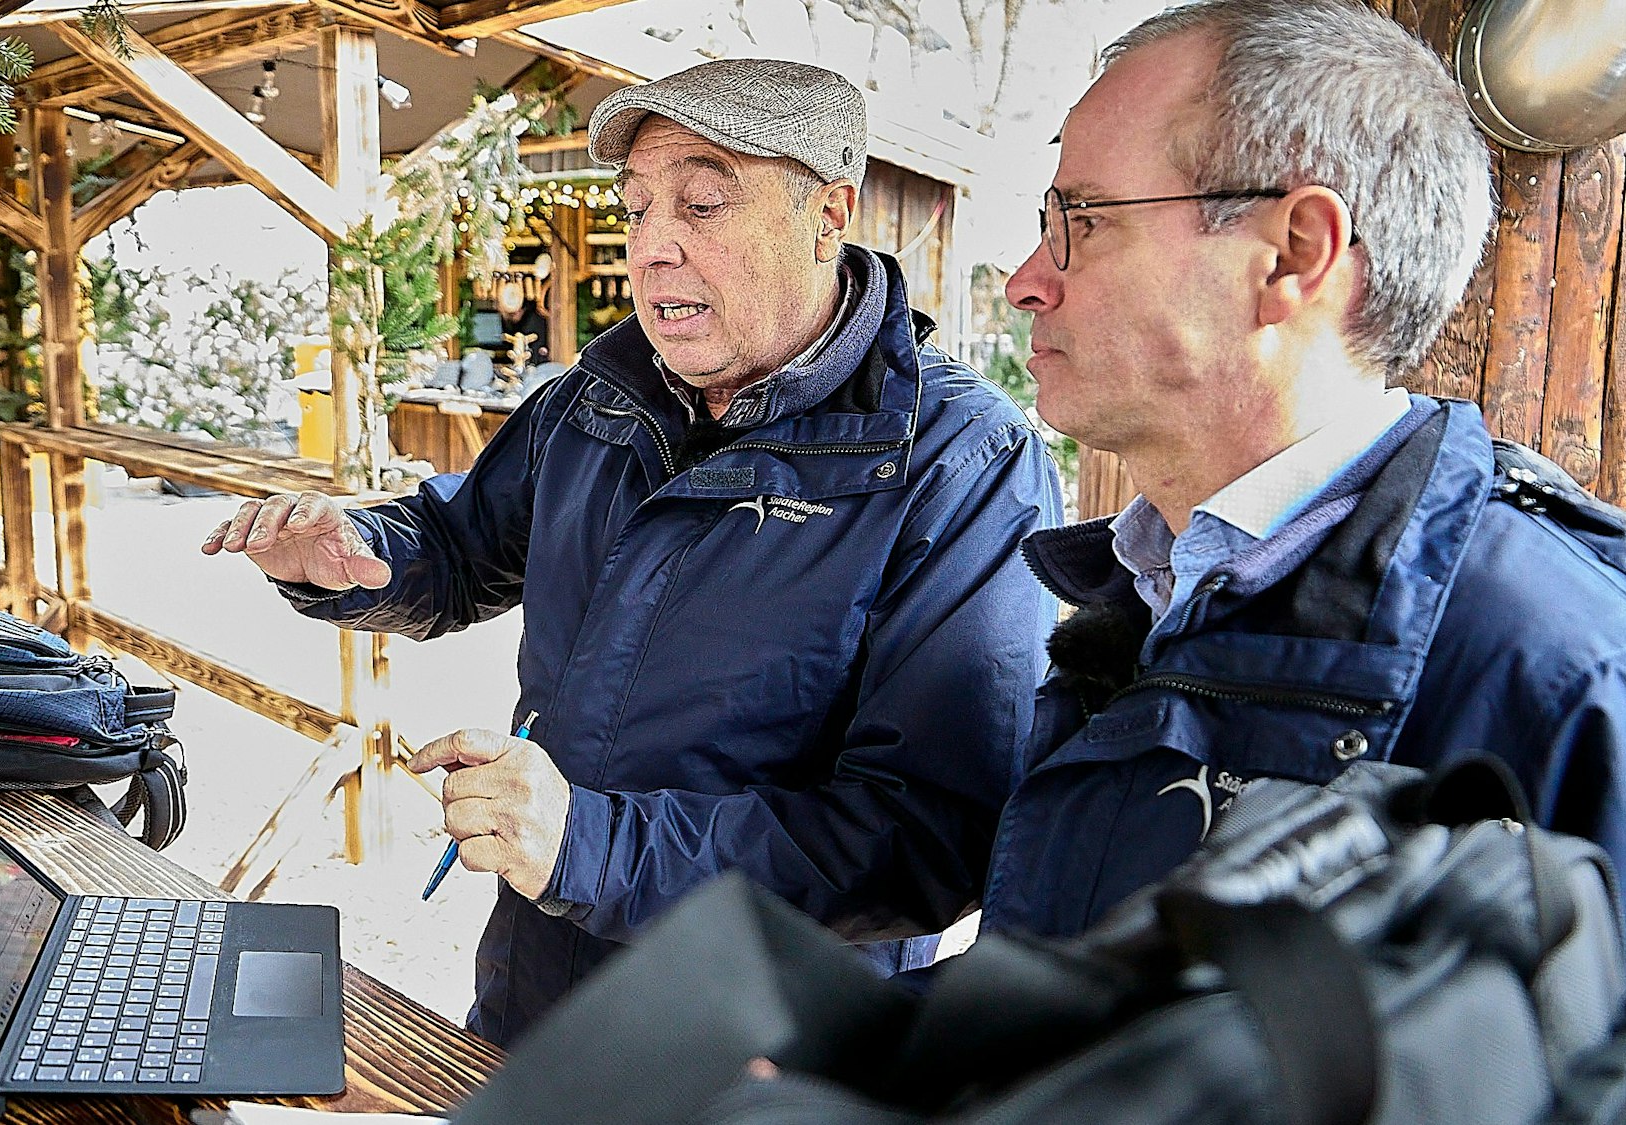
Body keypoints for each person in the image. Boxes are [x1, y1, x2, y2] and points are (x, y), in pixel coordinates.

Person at [204, 58, 1064, 1043]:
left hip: (752, 1049)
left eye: (700, 204)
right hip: (534, 990)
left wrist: (588, 845)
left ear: (829, 214)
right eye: (637, 206)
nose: (650, 247)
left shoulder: (960, 462)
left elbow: (927, 840)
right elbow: (462, 540)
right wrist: (362, 553)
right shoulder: (595, 400)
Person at [982, 0, 1626, 991]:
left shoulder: (1585, 674)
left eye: (1081, 223)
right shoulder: (1149, 589)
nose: (1024, 281)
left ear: (1291, 254)